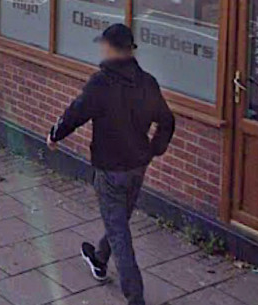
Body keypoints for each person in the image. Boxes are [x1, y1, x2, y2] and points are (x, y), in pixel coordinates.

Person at [47, 23, 175, 305]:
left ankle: (135, 297)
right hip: (137, 167)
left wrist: (54, 135)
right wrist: (153, 150)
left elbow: (76, 113)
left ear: (111, 48)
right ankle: (99, 258)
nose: (101, 49)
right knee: (118, 220)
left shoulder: (101, 83)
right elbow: (167, 121)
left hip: (110, 170)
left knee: (119, 232)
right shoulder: (147, 82)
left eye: (103, 44)